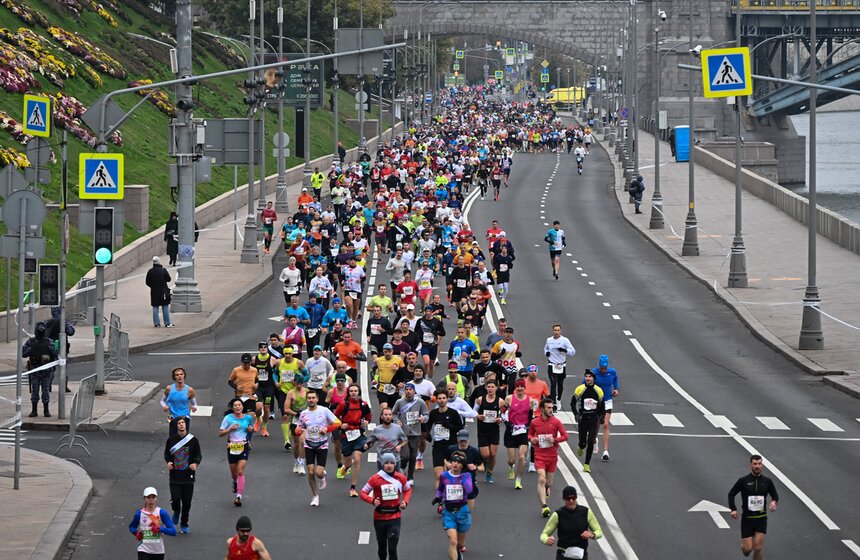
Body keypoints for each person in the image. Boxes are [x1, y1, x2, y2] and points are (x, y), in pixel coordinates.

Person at [360, 453, 412, 560]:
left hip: (395, 516)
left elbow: (407, 490)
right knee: (382, 548)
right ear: (383, 465)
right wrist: (372, 500)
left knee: (392, 549)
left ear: (395, 464)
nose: (389, 465)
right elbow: (363, 493)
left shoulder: (400, 477)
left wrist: (405, 502)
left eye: (392, 463)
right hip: (380, 517)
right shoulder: (375, 478)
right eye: (386, 463)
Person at [296, 388, 342, 506]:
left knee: (318, 472)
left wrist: (327, 429)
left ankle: (322, 476)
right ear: (306, 400)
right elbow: (298, 428)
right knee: (310, 472)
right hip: (309, 445)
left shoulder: (324, 410)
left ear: (317, 399)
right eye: (309, 398)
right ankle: (315, 496)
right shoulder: (303, 413)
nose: (311, 400)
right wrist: (300, 431)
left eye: (313, 398)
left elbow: (338, 423)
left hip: (322, 445)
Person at [728, 455, 779, 560]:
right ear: (750, 465)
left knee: (758, 548)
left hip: (761, 518)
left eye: (759, 464)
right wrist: (733, 509)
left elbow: (775, 495)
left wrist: (774, 502)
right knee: (747, 549)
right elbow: (731, 494)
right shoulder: (743, 481)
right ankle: (744, 547)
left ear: (762, 465)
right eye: (755, 464)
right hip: (747, 519)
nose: (757, 466)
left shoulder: (767, 481)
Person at [540, 485, 603, 560]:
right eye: (568, 498)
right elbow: (544, 534)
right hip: (563, 555)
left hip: (581, 555)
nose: (571, 501)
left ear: (576, 498)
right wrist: (546, 540)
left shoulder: (586, 512)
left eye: (573, 498)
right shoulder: (558, 514)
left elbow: (599, 531)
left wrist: (592, 535)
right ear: (564, 499)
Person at [529, 398, 568, 517]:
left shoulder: (556, 422)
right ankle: (544, 506)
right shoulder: (535, 422)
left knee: (549, 481)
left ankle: (547, 487)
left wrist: (555, 439)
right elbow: (530, 434)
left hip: (552, 455)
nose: (551, 410)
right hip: (539, 454)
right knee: (541, 478)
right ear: (542, 409)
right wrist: (532, 439)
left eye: (552, 408)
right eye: (549, 408)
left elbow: (565, 436)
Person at [334, 383, 373, 497]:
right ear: (348, 392)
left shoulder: (363, 405)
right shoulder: (343, 404)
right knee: (348, 461)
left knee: (357, 458)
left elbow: (368, 417)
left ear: (359, 392)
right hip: (346, 436)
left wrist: (366, 422)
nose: (353, 393)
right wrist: (341, 425)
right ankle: (346, 466)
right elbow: (335, 418)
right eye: (351, 391)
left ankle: (353, 487)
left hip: (358, 434)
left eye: (356, 391)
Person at [163, 417, 201, 534]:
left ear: (186, 425)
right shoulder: (171, 440)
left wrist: (195, 463)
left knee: (186, 502)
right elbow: (167, 454)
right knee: (175, 498)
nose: (181, 425)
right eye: (179, 423)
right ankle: (176, 510)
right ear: (176, 426)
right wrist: (169, 462)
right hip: (175, 475)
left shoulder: (193, 440)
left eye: (183, 423)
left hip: (188, 476)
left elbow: (198, 455)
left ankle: (184, 523)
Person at [435, 452, 474, 560]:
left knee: (459, 544)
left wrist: (463, 476)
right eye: (454, 461)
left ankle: (457, 551)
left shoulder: (466, 476)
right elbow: (440, 489)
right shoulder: (444, 475)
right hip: (448, 512)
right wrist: (438, 497)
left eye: (458, 462)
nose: (455, 464)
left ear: (462, 465)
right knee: (453, 540)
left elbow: (469, 490)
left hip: (462, 511)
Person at [218, 397, 255, 507]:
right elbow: (220, 433)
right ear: (232, 408)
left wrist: (250, 430)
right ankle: (235, 482)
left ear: (242, 407)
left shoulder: (248, 418)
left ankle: (239, 496)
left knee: (240, 471)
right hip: (232, 446)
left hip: (243, 445)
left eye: (239, 405)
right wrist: (230, 429)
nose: (237, 407)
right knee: (234, 475)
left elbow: (251, 428)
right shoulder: (228, 418)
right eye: (235, 405)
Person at [391, 382, 429, 482]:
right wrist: (397, 421)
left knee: (413, 456)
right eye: (407, 389)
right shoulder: (399, 402)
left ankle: (410, 477)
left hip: (415, 432)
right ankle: (403, 466)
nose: (408, 391)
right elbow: (393, 414)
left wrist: (423, 418)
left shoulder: (420, 402)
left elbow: (426, 414)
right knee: (405, 455)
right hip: (403, 433)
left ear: (414, 391)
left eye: (410, 389)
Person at [570, 370, 605, 474]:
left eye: (590, 376)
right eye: (586, 376)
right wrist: (576, 414)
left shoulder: (598, 390)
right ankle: (580, 446)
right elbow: (572, 403)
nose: (588, 378)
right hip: (583, 419)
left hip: (594, 419)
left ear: (594, 378)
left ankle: (586, 464)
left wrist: (601, 416)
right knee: (583, 442)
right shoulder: (580, 389)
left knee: (591, 441)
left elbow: (602, 405)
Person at [128, 486, 177, 559]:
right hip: (143, 549)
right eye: (148, 497)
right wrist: (137, 533)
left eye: (153, 497)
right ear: (144, 498)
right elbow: (131, 527)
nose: (151, 500)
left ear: (156, 498)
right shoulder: (139, 514)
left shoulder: (162, 513)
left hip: (158, 551)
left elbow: (173, 531)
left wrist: (160, 529)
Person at [21, 321, 58, 417]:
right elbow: (23, 353)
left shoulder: (49, 341)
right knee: (35, 390)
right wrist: (32, 349)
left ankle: (46, 410)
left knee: (45, 390)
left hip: (46, 371)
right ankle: (34, 410)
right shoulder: (31, 342)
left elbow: (55, 353)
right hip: (35, 370)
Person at [503, 378, 533, 490]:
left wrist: (529, 426)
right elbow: (502, 412)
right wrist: (507, 423)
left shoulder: (530, 401)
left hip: (523, 432)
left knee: (521, 457)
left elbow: (531, 416)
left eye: (522, 386)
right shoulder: (509, 398)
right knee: (512, 460)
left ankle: (518, 480)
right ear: (515, 388)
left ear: (524, 388)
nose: (520, 388)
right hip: (511, 431)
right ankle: (511, 467)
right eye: (518, 386)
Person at [591, 355, 619, 461]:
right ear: (599, 366)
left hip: (607, 400)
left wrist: (616, 388)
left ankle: (605, 451)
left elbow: (615, 379)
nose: (603, 370)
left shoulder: (612, 372)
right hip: (596, 402)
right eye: (602, 368)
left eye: (605, 368)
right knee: (596, 424)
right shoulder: (593, 372)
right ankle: (594, 441)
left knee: (606, 424)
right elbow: (585, 383)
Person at [544, 325, 576, 410]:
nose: (556, 332)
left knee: (560, 384)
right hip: (552, 364)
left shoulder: (565, 340)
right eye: (555, 330)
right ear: (552, 331)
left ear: (560, 331)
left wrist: (564, 350)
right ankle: (553, 403)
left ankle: (558, 399)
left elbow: (573, 351)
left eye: (558, 330)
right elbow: (546, 348)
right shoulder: (549, 340)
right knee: (553, 384)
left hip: (561, 365)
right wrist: (546, 353)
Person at [160, 367, 198, 437]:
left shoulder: (190, 390)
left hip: (184, 416)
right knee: (172, 437)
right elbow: (162, 401)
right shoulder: (169, 388)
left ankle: (183, 448)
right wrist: (164, 406)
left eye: (181, 374)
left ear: (184, 376)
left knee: (183, 438)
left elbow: (194, 404)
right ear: (174, 377)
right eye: (177, 375)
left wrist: (194, 407)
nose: (179, 376)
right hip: (171, 416)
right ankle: (171, 448)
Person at [45, 306, 75, 392]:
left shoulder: (48, 322)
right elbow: (71, 332)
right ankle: (64, 386)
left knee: (50, 368)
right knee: (63, 368)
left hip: (50, 348)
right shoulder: (64, 322)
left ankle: (48, 386)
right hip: (62, 348)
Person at [145, 256, 173, 328]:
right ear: (159, 262)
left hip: (154, 291)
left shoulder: (150, 271)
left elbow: (147, 282)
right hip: (163, 291)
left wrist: (153, 286)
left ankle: (157, 323)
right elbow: (169, 279)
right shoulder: (163, 270)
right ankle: (167, 323)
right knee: (165, 306)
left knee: (155, 307)